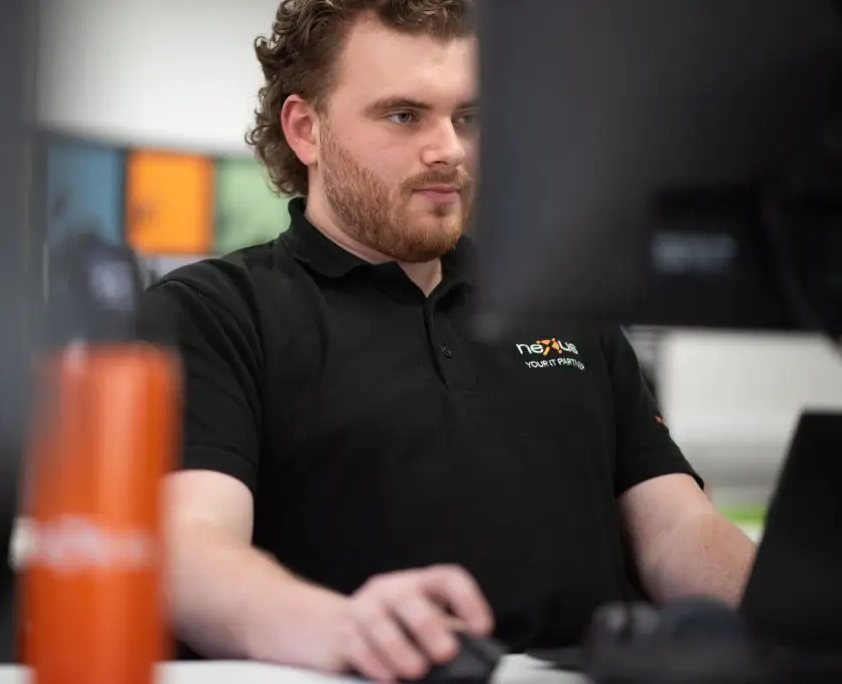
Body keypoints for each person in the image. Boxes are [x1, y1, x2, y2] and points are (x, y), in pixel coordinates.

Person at [136, 0, 758, 681]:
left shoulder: (561, 307)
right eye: (404, 115)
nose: (449, 151)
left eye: (468, 117)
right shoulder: (213, 312)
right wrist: (342, 628)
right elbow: (187, 547)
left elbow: (674, 530)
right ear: (305, 129)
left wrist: (788, 603)